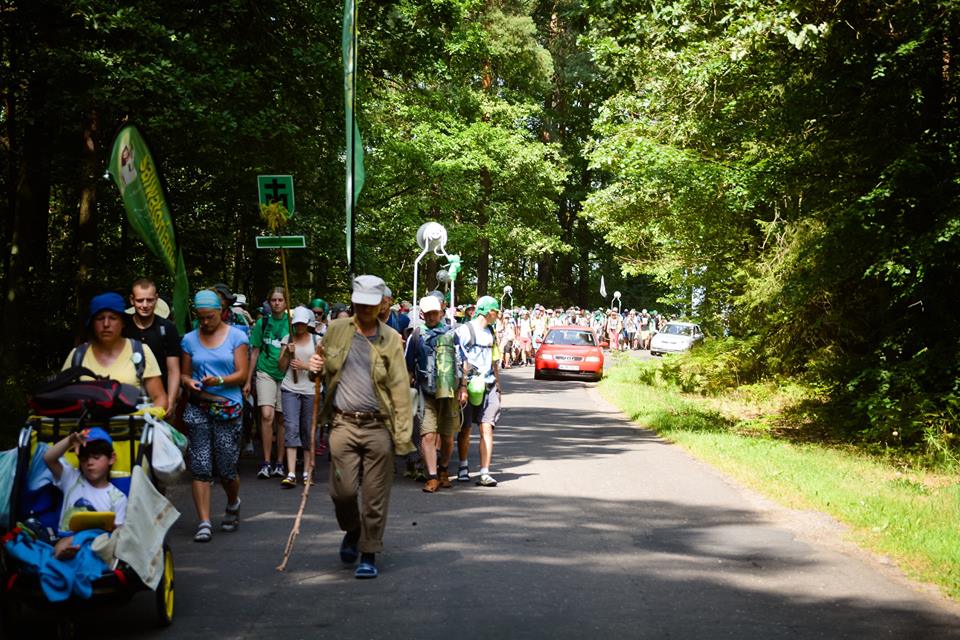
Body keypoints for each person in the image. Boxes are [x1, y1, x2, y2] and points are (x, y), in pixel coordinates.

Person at [307, 275, 413, 579]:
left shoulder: (391, 338)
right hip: (342, 423)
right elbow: (322, 367)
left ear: (381, 304)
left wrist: (402, 436)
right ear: (353, 302)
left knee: (374, 495)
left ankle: (369, 552)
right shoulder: (337, 331)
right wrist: (315, 367)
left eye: (371, 304)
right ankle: (352, 530)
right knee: (343, 492)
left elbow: (400, 390)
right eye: (360, 303)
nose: (365, 309)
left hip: (378, 426)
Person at [180, 289, 250, 542]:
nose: (205, 322)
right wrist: (189, 383)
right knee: (199, 465)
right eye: (201, 318)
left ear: (220, 312)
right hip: (198, 406)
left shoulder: (237, 336)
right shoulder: (188, 340)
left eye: (209, 317)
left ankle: (233, 502)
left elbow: (242, 373)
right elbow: (185, 373)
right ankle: (204, 522)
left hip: (228, 406)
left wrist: (220, 379)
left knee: (226, 467)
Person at [64, 292, 167, 409]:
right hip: (86, 426)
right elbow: (60, 398)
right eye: (100, 318)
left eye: (113, 318)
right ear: (92, 323)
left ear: (123, 322)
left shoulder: (141, 351)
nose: (106, 324)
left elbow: (160, 397)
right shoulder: (77, 355)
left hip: (133, 425)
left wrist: (150, 418)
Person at [42, 427, 127, 559]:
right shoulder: (71, 478)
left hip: (97, 543)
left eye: (96, 457)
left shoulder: (118, 497)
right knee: (63, 546)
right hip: (67, 539)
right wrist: (70, 440)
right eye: (84, 459)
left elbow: (120, 533)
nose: (89, 463)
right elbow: (49, 458)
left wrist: (113, 529)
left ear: (112, 458)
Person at [407, 295, 459, 492]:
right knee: (428, 435)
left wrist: (462, 387)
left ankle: (444, 469)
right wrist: (410, 382)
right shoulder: (416, 336)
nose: (431, 316)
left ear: (441, 312)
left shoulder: (452, 333)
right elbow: (409, 364)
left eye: (434, 312)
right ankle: (432, 476)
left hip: (449, 392)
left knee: (446, 436)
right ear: (422, 314)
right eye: (427, 313)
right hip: (426, 393)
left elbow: (462, 360)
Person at [455, 296, 503, 487]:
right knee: (465, 428)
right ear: (487, 311)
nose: (497, 315)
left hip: (489, 384)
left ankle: (484, 472)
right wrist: (462, 385)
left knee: (487, 427)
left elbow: (493, 360)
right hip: (469, 385)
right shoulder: (465, 330)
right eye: (495, 311)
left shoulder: (491, 331)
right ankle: (463, 465)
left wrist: (498, 385)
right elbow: (457, 356)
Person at [245, 287, 290, 479]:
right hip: (265, 372)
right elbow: (254, 352)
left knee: (281, 418)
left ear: (286, 303)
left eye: (280, 300)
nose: (277, 303)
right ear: (269, 302)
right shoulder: (262, 324)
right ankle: (265, 461)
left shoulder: (292, 324)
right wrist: (248, 380)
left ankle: (279, 462)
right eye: (274, 300)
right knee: (266, 414)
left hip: (286, 374)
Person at [123, 278, 181, 415]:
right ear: (132, 300)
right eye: (139, 300)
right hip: (127, 399)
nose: (145, 305)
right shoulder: (123, 327)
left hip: (160, 398)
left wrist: (171, 401)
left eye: (149, 300)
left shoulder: (168, 328)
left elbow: (173, 370)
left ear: (156, 299)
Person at [278, 306, 319, 488]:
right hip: (290, 388)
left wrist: (305, 366)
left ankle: (307, 472)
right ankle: (291, 472)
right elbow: (280, 367)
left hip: (310, 389)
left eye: (302, 324)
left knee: (307, 429)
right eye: (296, 324)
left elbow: (322, 368)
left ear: (307, 324)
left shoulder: (317, 341)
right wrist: (287, 352)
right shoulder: (288, 339)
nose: (299, 327)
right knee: (291, 426)